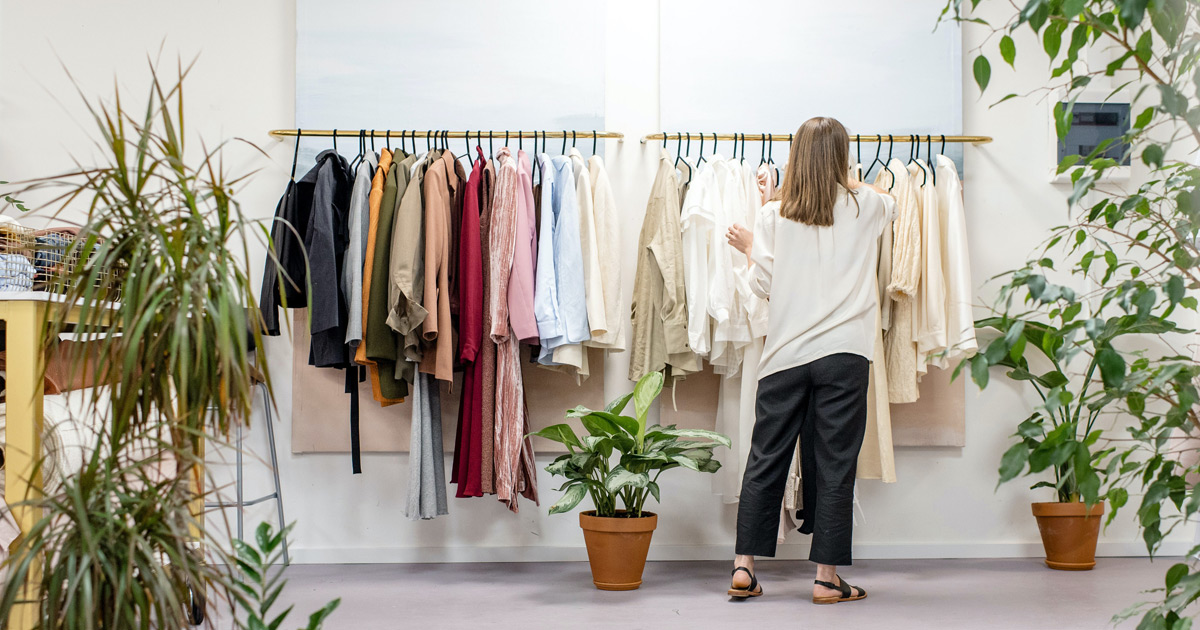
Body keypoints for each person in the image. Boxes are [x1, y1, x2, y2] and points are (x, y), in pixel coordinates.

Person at [724, 117, 896, 605]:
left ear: (794, 156)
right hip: (845, 354)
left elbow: (764, 285)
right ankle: (825, 579)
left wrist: (757, 246)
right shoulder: (867, 206)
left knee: (765, 457)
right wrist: (848, 177)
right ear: (843, 157)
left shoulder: (773, 215)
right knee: (835, 465)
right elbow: (894, 204)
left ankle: (744, 569)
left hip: (785, 354)